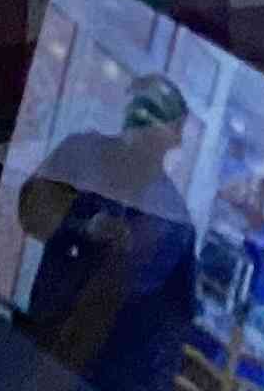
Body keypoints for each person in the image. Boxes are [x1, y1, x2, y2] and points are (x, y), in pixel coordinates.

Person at [13, 80, 201, 391]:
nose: (144, 120)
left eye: (157, 115)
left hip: (105, 373)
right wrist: (81, 226)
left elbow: (172, 326)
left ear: (176, 137)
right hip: (40, 340)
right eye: (140, 108)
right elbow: (31, 211)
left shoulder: (175, 220)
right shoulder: (82, 152)